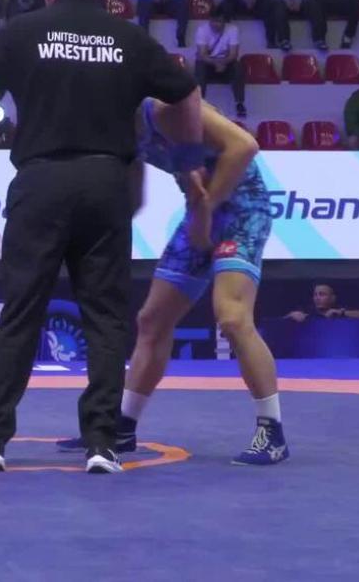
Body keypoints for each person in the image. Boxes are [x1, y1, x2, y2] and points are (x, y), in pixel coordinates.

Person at [0, 0, 206, 474]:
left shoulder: (25, 30)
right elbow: (187, 94)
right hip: (105, 182)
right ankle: (102, 445)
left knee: (21, 313)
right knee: (105, 318)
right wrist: (188, 164)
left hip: (40, 181)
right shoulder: (128, 38)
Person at [56, 97, 288, 466]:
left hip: (243, 210)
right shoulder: (118, 130)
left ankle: (272, 431)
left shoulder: (160, 108)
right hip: (201, 210)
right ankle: (123, 427)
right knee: (152, 320)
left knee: (232, 317)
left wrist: (206, 208)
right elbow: (133, 199)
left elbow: (244, 146)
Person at [194, 8, 246, 117]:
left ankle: (239, 103)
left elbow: (233, 54)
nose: (215, 24)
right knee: (199, 66)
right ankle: (199, 104)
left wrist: (223, 63)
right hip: (209, 64)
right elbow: (202, 54)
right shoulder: (202, 30)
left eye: (219, 21)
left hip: (226, 64)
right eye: (213, 21)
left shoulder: (233, 30)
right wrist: (216, 63)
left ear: (224, 21)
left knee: (238, 66)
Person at [285, 284, 359, 321]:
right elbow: (282, 322)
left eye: (322, 294)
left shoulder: (340, 310)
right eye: (315, 295)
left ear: (332, 298)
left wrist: (341, 313)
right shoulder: (308, 311)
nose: (317, 298)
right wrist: (291, 315)